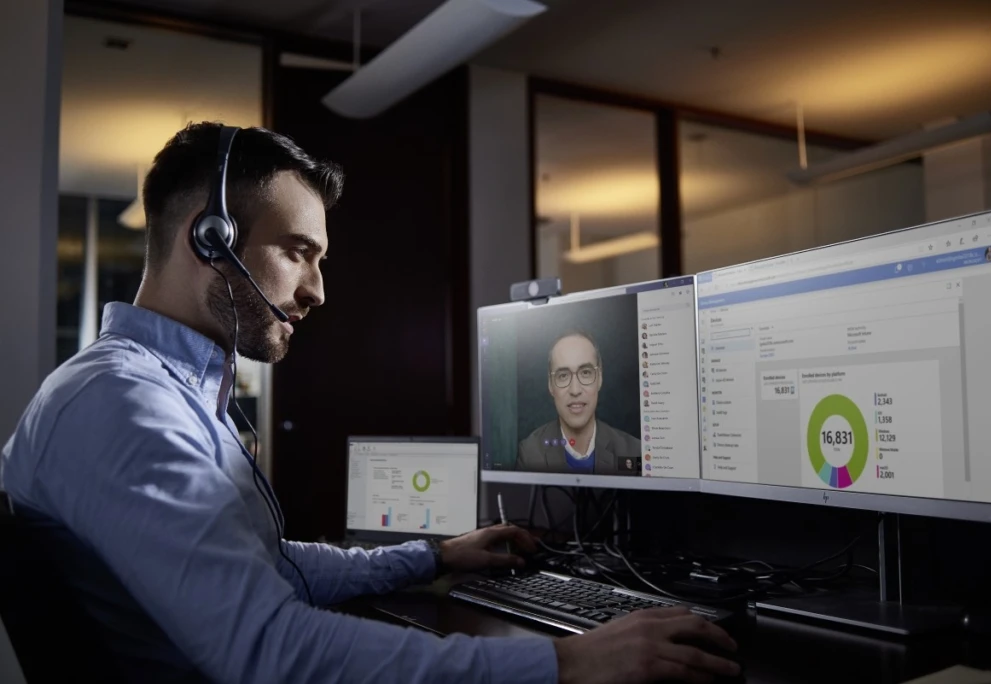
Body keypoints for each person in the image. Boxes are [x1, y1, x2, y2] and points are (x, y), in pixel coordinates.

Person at [0, 123, 738, 684]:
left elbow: (265, 567)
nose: (317, 291)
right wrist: (563, 665)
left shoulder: (149, 392)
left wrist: (429, 558)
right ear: (211, 239)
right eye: (298, 252)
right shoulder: (127, 407)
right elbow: (268, 648)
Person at [516, 331, 643, 475]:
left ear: (599, 378)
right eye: (563, 376)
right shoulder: (530, 455)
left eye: (586, 373)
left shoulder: (633, 452)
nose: (575, 390)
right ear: (550, 385)